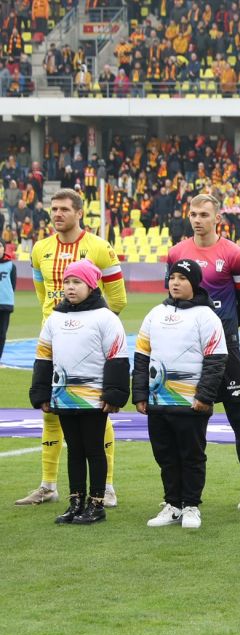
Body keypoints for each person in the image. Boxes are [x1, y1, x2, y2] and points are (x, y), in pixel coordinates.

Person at [17, 189, 127, 509]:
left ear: (80, 212)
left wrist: (91, 330)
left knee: (98, 413)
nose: (58, 214)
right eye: (54, 209)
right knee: (50, 412)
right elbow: (44, 296)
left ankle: (105, 487)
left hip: (89, 346)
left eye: (65, 209)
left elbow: (117, 299)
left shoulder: (100, 248)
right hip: (54, 342)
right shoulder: (40, 249)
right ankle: (47, 485)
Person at [166, 193, 240, 510]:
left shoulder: (233, 254)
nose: (198, 219)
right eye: (193, 214)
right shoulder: (177, 252)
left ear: (216, 218)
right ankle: (190, 495)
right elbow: (173, 297)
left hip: (226, 348)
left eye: (204, 214)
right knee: (196, 417)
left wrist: (224, 331)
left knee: (238, 417)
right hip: (190, 351)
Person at [28, 260, 129, 526]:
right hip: (63, 395)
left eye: (77, 282)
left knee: (94, 449)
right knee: (73, 449)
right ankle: (76, 502)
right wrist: (41, 392)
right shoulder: (56, 317)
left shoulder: (106, 318)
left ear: (91, 285)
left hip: (94, 397)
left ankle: (96, 504)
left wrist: (114, 394)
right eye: (67, 283)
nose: (70, 288)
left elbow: (117, 357)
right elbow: (44, 358)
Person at [133, 258, 227, 531]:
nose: (175, 282)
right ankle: (172, 504)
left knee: (192, 455)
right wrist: (140, 393)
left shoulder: (206, 316)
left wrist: (204, 396)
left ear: (194, 283)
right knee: (165, 455)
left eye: (182, 278)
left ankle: (191, 506)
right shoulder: (154, 314)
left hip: (191, 402)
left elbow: (216, 359)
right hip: (158, 401)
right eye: (172, 277)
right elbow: (142, 357)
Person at [0, 246, 13, 360]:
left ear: (4, 249)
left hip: (5, 304)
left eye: (0, 246)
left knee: (1, 334)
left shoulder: (10, 265)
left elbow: (12, 285)